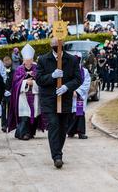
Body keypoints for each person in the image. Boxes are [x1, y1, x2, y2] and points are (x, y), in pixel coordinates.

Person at [36, 38, 81, 169]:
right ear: (51, 46)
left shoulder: (72, 60)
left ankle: (58, 151)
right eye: (54, 45)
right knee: (54, 125)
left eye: (58, 45)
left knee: (62, 128)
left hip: (65, 99)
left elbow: (78, 79)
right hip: (49, 100)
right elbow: (39, 79)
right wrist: (52, 76)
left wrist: (67, 86)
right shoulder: (43, 59)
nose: (56, 47)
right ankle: (57, 156)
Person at [7, 44, 46, 140]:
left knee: (34, 115)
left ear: (32, 60)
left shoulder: (37, 68)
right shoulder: (19, 69)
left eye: (30, 61)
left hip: (35, 96)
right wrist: (25, 82)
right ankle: (23, 133)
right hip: (23, 97)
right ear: (23, 60)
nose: (28, 63)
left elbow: (41, 81)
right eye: (26, 61)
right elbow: (15, 84)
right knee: (25, 116)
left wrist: (33, 83)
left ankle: (30, 132)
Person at [67, 52, 91, 139]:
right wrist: (71, 90)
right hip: (70, 96)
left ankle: (81, 132)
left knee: (79, 113)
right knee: (71, 114)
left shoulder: (84, 71)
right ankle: (70, 132)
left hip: (79, 96)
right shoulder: (68, 70)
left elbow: (86, 83)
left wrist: (77, 92)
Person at [1, 56, 14, 133]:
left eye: (8, 61)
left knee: (9, 109)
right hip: (3, 93)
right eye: (5, 61)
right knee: (3, 110)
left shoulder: (14, 71)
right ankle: (3, 125)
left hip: (10, 93)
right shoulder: (1, 71)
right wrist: (3, 90)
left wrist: (11, 91)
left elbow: (15, 82)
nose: (7, 62)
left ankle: (9, 123)